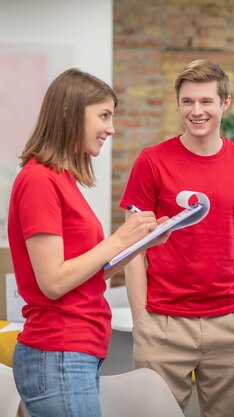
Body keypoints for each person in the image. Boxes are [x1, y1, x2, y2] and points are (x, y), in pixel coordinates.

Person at [8, 69, 165, 417]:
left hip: (73, 352)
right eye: (104, 116)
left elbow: (92, 271)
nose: (111, 128)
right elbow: (53, 282)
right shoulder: (38, 180)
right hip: (59, 351)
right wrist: (119, 238)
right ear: (69, 113)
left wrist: (144, 242)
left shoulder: (61, 179)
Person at [120, 59, 234, 417]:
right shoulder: (152, 161)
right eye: (187, 101)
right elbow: (132, 245)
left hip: (231, 324)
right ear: (177, 104)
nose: (196, 111)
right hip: (162, 324)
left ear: (225, 103)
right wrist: (142, 319)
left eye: (206, 101)